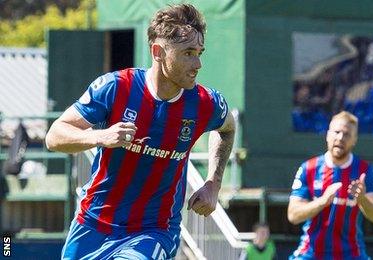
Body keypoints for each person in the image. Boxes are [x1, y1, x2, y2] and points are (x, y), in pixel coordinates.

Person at [45, 4, 235, 259]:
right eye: (188, 53)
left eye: (200, 52)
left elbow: (227, 128)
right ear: (158, 52)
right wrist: (100, 137)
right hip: (93, 224)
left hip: (153, 231)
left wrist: (213, 184)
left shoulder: (205, 103)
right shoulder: (116, 87)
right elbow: (55, 136)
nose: (198, 63)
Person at [287, 111, 373, 260]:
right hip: (311, 254)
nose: (340, 138)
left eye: (347, 134)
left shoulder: (365, 171)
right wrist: (322, 201)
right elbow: (293, 215)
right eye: (336, 132)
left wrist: (361, 199)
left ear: (354, 140)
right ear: (327, 135)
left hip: (352, 255)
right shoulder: (309, 168)